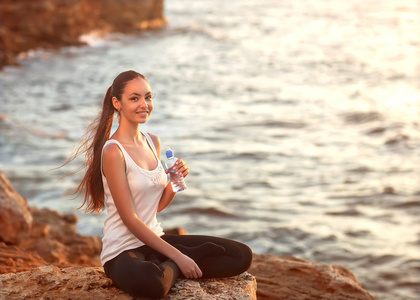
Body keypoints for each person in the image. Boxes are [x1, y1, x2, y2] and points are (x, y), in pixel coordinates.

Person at [66, 70, 252, 299]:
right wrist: (179, 257)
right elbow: (130, 219)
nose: (144, 104)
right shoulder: (113, 151)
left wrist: (174, 183)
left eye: (148, 97)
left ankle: (167, 262)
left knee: (240, 255)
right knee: (153, 285)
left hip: (155, 240)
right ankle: (172, 264)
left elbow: (156, 207)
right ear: (117, 103)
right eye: (134, 98)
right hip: (123, 250)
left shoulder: (153, 141)